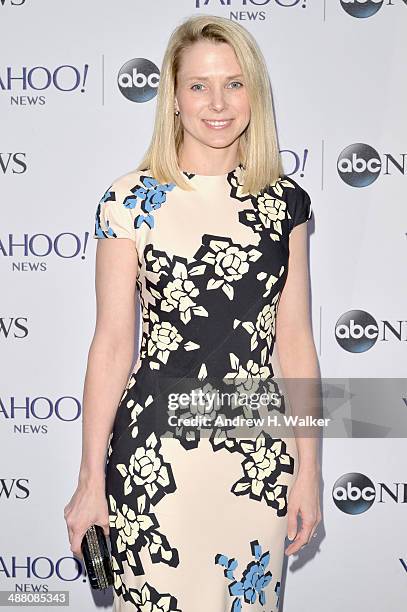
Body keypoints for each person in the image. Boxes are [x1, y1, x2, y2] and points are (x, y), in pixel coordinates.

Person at [64, 14, 322, 612]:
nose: (218, 103)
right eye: (199, 85)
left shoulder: (285, 205)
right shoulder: (129, 201)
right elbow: (109, 346)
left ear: (254, 95)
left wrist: (307, 467)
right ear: (173, 98)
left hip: (255, 460)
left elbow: (297, 343)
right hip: (154, 461)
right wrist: (88, 482)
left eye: (234, 84)